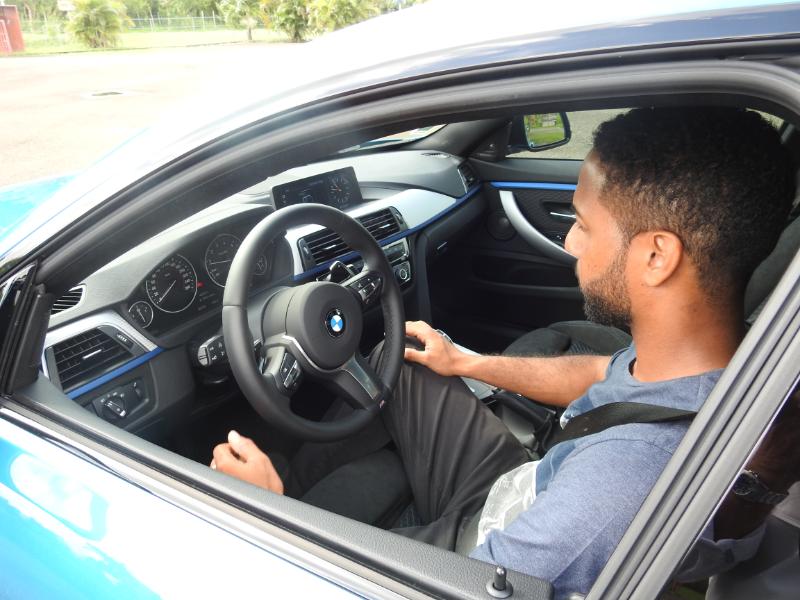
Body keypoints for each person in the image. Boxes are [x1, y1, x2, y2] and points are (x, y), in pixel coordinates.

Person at [210, 106, 796, 599]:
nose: (570, 241)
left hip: (484, 552)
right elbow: (607, 373)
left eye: (584, 224)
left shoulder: (609, 495)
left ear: (657, 256)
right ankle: (294, 478)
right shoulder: (730, 356)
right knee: (405, 356)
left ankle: (288, 497)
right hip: (526, 483)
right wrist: (467, 363)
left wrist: (275, 518)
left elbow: (463, 588)